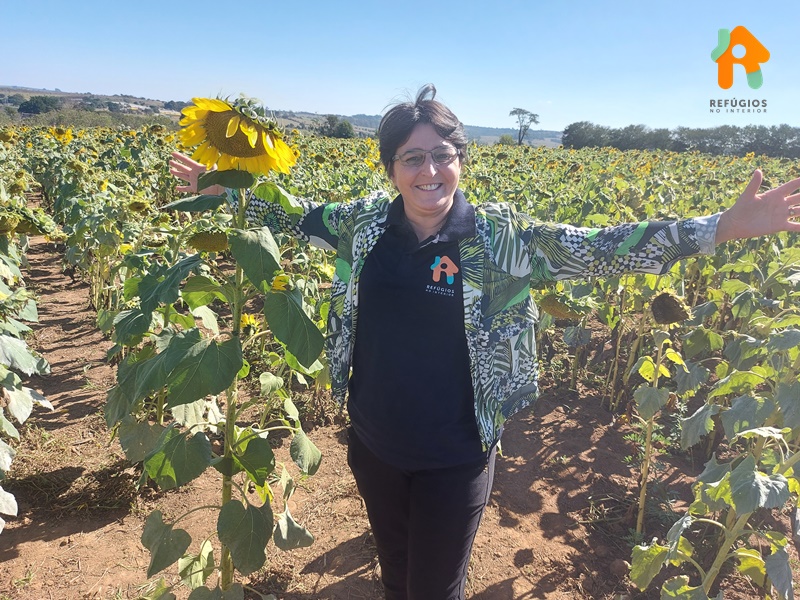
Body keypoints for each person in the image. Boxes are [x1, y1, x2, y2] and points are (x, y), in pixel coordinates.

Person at [170, 84, 800, 600]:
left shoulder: (503, 240)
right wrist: (223, 187)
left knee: (436, 589)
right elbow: (295, 213)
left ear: (461, 160)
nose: (429, 170)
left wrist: (719, 227)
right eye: (411, 157)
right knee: (395, 571)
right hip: (373, 442)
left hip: (457, 451)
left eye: (442, 153)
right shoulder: (363, 224)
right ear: (391, 168)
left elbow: (606, 248)